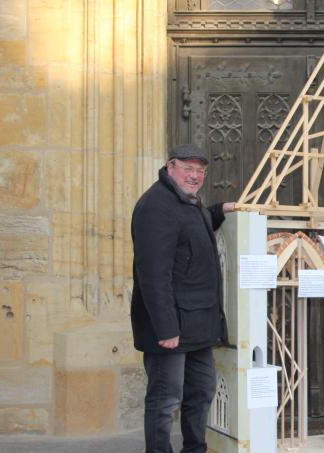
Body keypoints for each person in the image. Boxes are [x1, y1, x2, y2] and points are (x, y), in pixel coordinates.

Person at [131, 143, 235, 453]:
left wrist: (218, 211)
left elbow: (190, 234)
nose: (195, 176)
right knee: (165, 400)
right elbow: (152, 273)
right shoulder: (155, 205)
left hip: (197, 324)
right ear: (171, 167)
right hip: (172, 327)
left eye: (200, 171)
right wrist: (166, 328)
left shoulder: (188, 202)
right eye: (188, 169)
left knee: (201, 392)